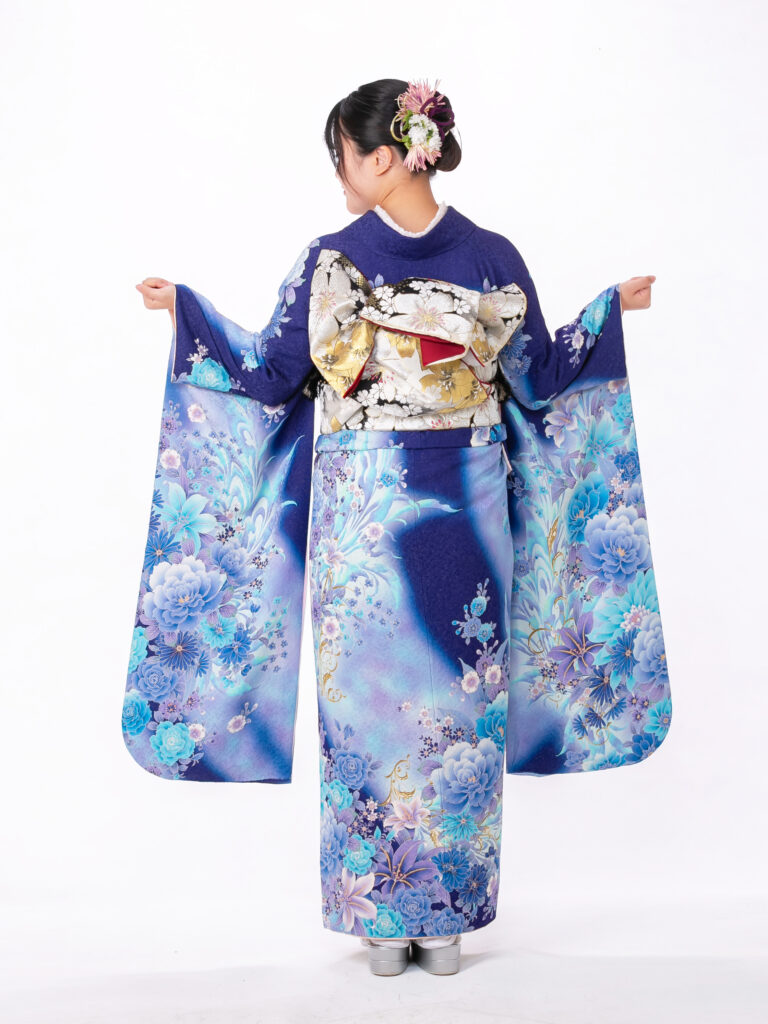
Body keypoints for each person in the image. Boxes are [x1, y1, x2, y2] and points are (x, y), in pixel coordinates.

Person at [129, 78, 667, 978]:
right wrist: (188, 309)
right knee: (362, 713)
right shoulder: (335, 260)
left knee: (462, 708)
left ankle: (445, 913)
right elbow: (273, 374)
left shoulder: (485, 254)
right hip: (359, 530)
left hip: (464, 517)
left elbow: (535, 377)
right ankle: (379, 911)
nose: (338, 172)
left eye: (341, 154)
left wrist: (608, 310)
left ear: (385, 157)